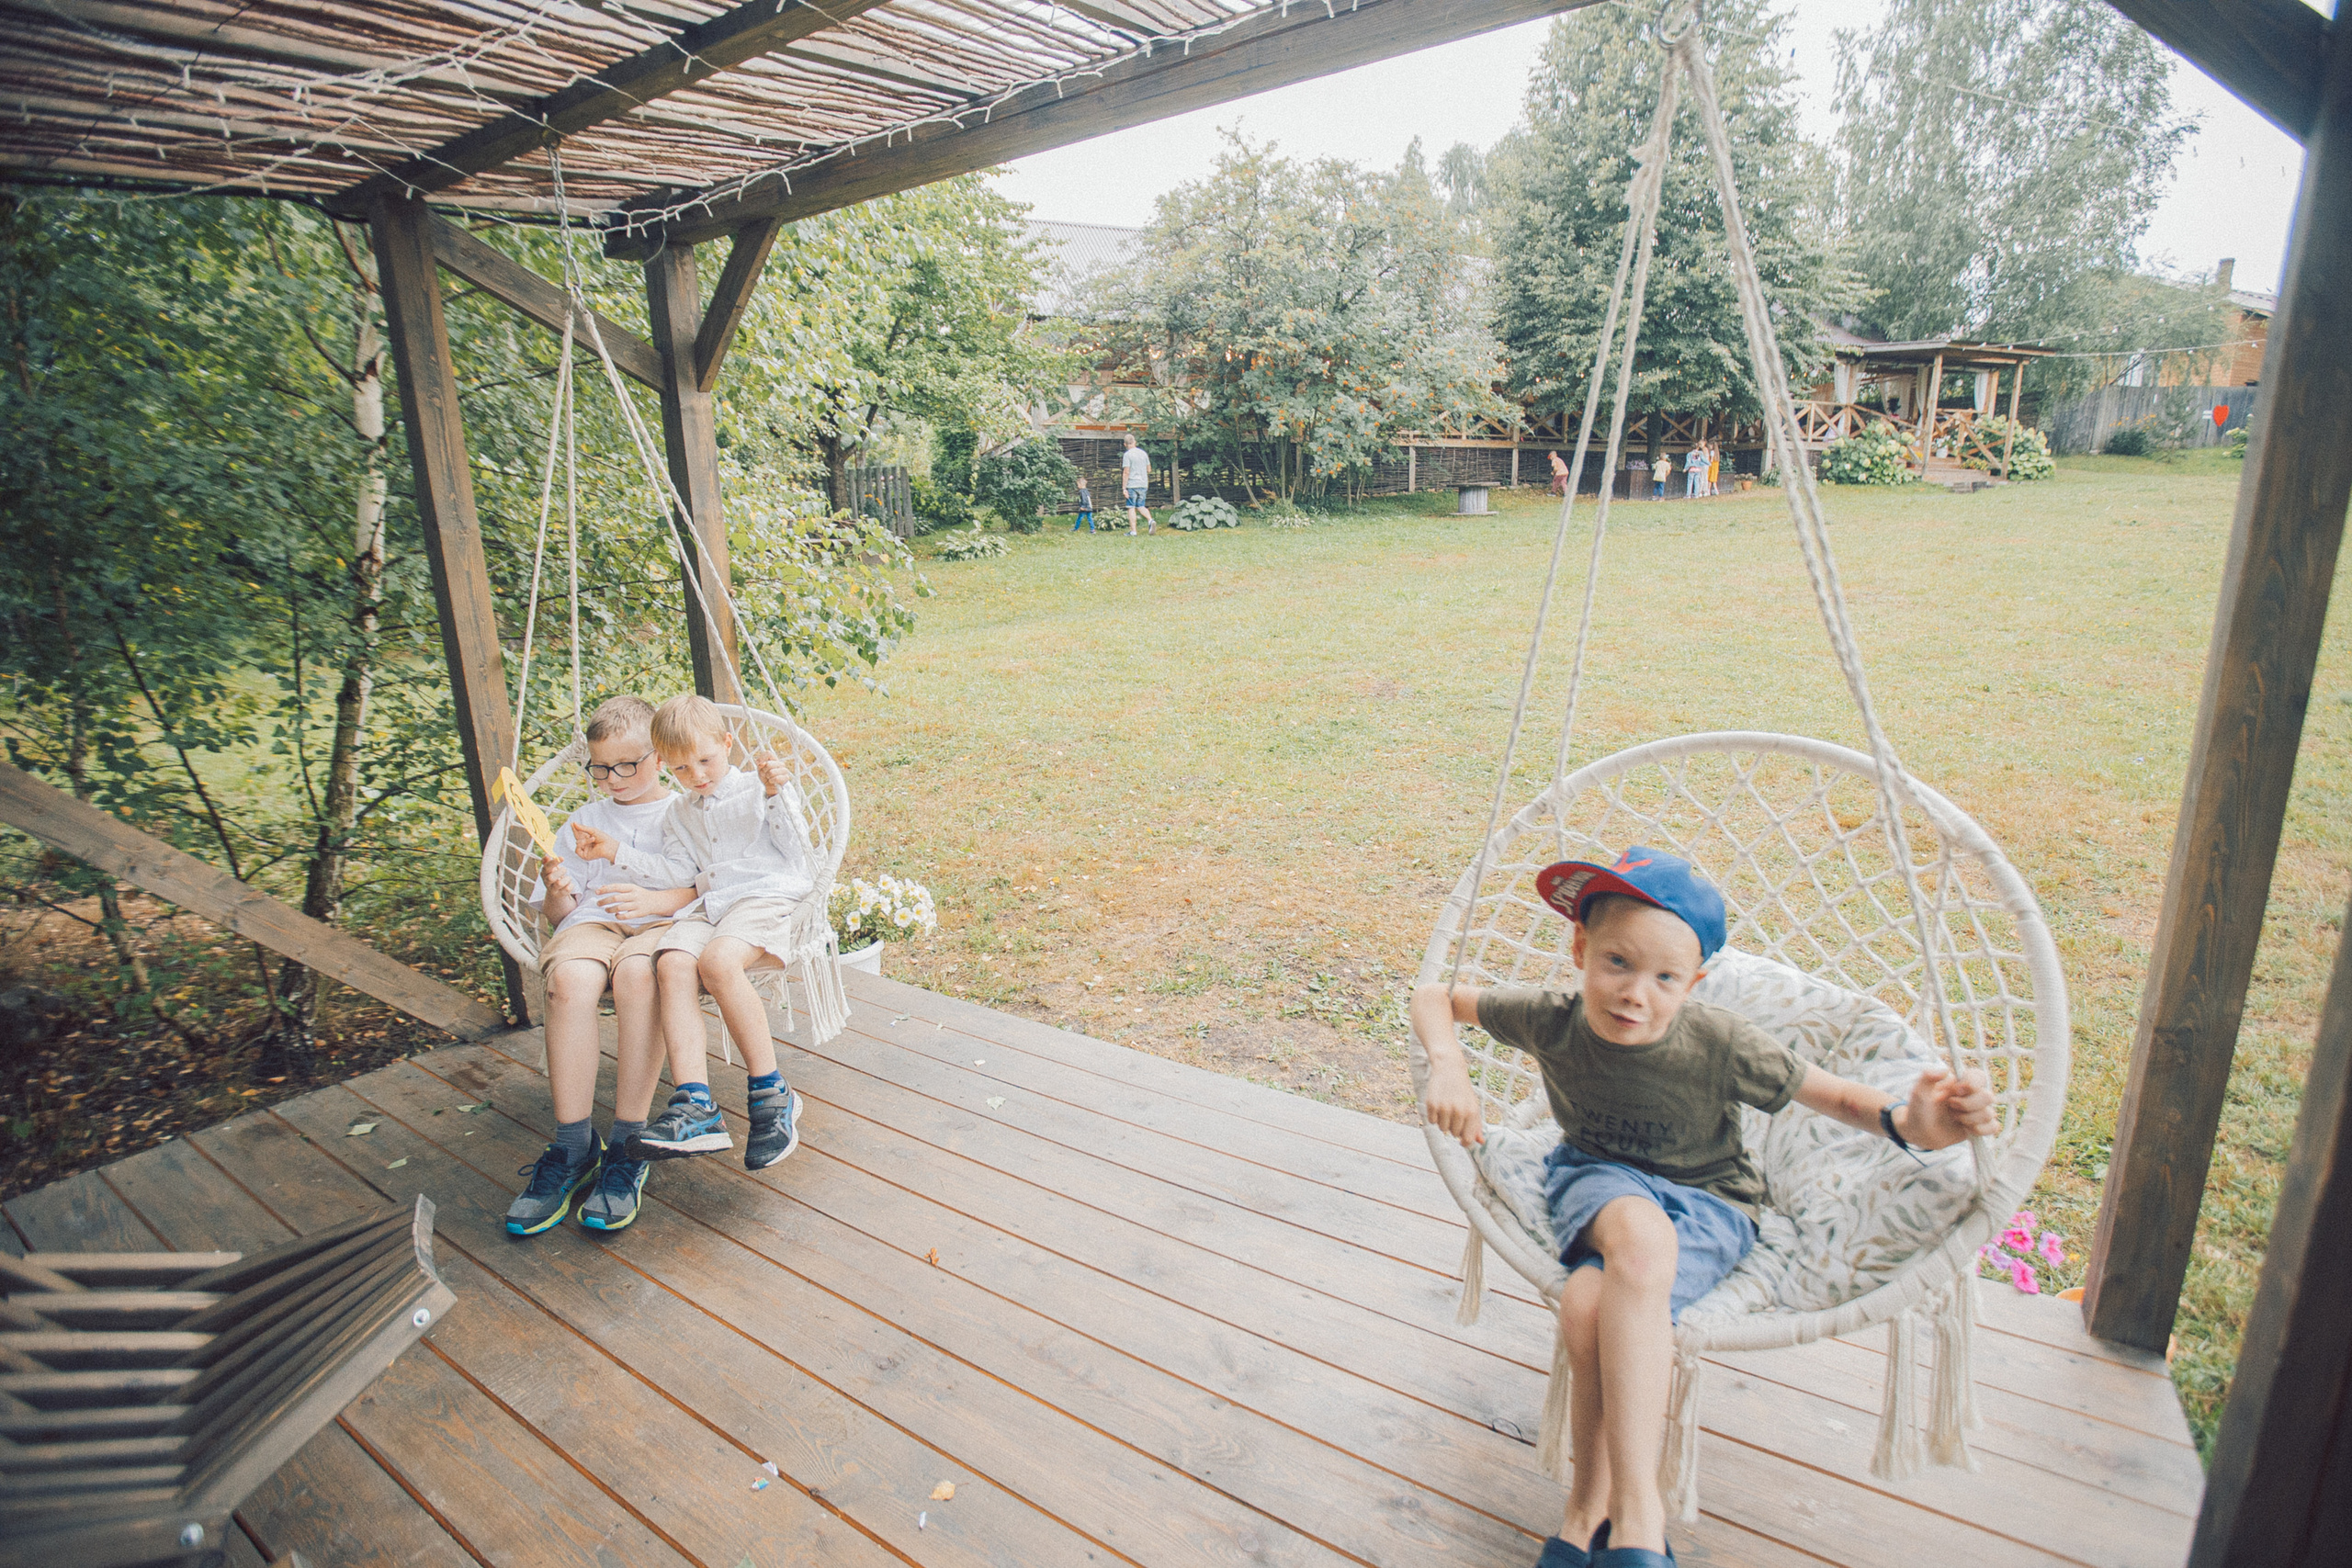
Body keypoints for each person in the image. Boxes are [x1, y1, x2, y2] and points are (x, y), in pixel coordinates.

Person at [1414, 848, 1996, 1568]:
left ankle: (1583, 1511)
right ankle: (1639, 1517)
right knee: (1638, 1236)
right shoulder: (1554, 1020)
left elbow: (1845, 1098)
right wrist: (1449, 1066)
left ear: (1696, 981)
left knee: (1590, 1305)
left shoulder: (1721, 1043)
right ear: (1579, 948)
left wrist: (1922, 1124)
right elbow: (1435, 996)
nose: (1635, 993)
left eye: (1664, 977)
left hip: (1714, 1204)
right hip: (1596, 1178)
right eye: (1617, 962)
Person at [574, 694, 817, 1173]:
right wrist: (614, 850)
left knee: (718, 962)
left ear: (728, 743)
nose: (698, 775)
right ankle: (696, 1105)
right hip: (714, 904)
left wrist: (777, 795)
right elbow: (674, 873)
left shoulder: (756, 787)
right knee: (672, 961)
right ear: (666, 766)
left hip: (764, 895)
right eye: (683, 769)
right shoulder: (680, 812)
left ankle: (771, 1092)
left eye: (706, 760)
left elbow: (799, 851)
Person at [506, 695, 700, 1235]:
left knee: (641, 976)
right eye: (600, 767)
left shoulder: (682, 812)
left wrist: (653, 903)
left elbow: (703, 887)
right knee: (568, 980)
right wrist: (556, 890)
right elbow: (562, 916)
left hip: (661, 922)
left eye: (627, 765)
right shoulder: (584, 820)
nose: (612, 778)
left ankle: (627, 1144)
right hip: (594, 921)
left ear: (659, 758)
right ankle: (573, 1146)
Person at [1119, 432, 1155, 535]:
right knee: (1141, 506)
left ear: (1125, 444)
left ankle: (1133, 531)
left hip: (1132, 485)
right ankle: (1150, 520)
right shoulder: (1143, 453)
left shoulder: (1127, 455)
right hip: (1143, 484)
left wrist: (1124, 488)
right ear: (1135, 442)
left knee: (1131, 507)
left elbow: (1126, 472)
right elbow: (1149, 469)